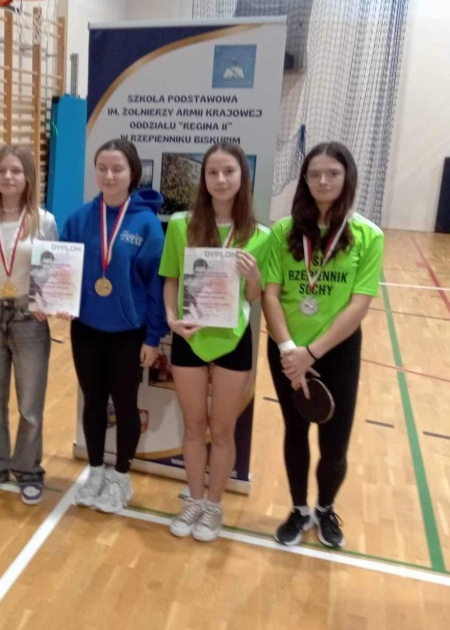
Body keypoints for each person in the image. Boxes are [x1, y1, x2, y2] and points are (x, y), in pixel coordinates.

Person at [261, 141, 383, 548]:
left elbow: (359, 304)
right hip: (285, 349)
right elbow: (270, 294)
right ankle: (299, 510)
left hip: (337, 353)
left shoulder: (368, 235)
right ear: (305, 180)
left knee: (334, 442)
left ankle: (326, 509)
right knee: (295, 431)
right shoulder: (283, 231)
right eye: (314, 174)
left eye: (332, 173)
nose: (323, 181)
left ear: (347, 177)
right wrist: (288, 349)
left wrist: (311, 354)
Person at [159, 142, 269, 542]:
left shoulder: (259, 235)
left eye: (229, 172)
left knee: (222, 431)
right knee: (193, 426)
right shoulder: (181, 225)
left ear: (242, 177)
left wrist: (254, 277)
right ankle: (193, 499)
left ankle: (213, 506)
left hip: (233, 340)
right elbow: (171, 279)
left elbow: (255, 297)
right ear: (203, 179)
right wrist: (171, 320)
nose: (221, 180)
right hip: (189, 338)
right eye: (212, 172)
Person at [61, 138, 167, 514]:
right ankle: (95, 472)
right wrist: (56, 299)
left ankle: (121, 478)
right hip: (86, 328)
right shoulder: (79, 219)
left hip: (128, 333)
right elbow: (61, 268)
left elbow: (156, 285)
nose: (109, 175)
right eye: (102, 168)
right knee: (92, 402)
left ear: (132, 172)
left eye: (117, 168)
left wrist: (153, 336)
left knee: (125, 406)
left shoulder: (146, 223)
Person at [0, 145, 59, 504]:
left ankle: (29, 471)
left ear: (28, 177)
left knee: (30, 405)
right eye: (2, 170)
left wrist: (47, 302)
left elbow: (54, 269)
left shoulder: (44, 221)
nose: (8, 176)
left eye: (16, 170)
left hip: (28, 319)